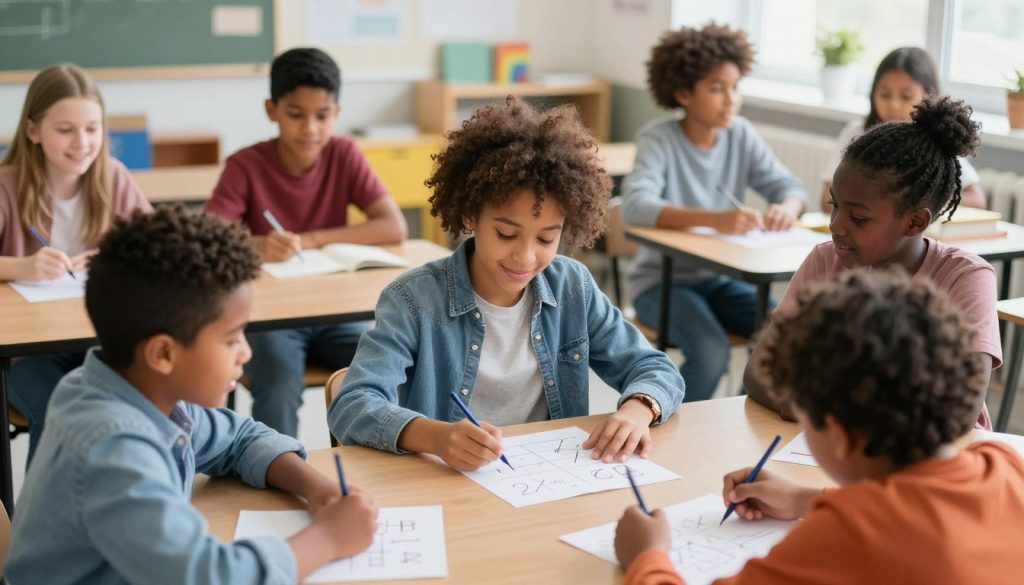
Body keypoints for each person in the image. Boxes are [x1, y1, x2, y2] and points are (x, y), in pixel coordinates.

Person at [5, 205, 379, 584]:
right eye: (231, 339)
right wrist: (329, 538)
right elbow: (208, 577)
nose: (246, 353)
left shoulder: (146, 393)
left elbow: (241, 439)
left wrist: (319, 491)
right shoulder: (113, 446)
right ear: (164, 354)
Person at [329, 97, 685, 470]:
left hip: (547, 476)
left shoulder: (572, 286)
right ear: (470, 214)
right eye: (505, 233)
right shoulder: (413, 300)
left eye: (546, 239)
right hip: (448, 482)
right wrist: (437, 437)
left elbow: (654, 368)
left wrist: (639, 409)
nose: (525, 257)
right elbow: (353, 405)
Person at [615, 269, 1024, 585]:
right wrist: (808, 500)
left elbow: (874, 526)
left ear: (840, 436)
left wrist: (646, 556)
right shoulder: (1001, 462)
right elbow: (916, 508)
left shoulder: (846, 535)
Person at [744, 96, 1001, 430]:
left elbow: (961, 409)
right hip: (836, 452)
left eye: (858, 218)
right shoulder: (826, 259)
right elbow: (758, 368)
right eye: (835, 206)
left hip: (939, 461)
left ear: (914, 222)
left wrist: (834, 413)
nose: (836, 225)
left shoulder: (966, 278)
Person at [205, 47, 407, 437]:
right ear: (271, 109)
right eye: (296, 115)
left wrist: (313, 238)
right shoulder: (245, 165)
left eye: (322, 116)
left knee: (383, 365)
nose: (310, 129)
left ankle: (374, 469)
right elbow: (208, 238)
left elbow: (392, 226)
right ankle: (276, 472)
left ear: (338, 113)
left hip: (335, 312)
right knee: (279, 379)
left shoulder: (344, 154)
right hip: (270, 319)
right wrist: (259, 246)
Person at [623, 23, 807, 402]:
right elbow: (636, 207)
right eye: (717, 88)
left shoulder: (740, 134)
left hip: (719, 279)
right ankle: (668, 428)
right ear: (683, 93)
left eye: (735, 87)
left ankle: (741, 414)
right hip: (661, 282)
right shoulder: (658, 139)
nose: (731, 100)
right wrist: (714, 218)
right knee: (710, 354)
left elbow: (791, 189)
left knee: (786, 332)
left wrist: (787, 208)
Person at [0, 63, 152, 461]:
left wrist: (120, 256)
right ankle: (44, 522)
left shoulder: (113, 177)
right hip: (25, 350)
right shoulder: (6, 185)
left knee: (133, 408)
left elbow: (158, 245)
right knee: (59, 414)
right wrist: (23, 267)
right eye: (65, 130)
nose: (82, 142)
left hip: (98, 339)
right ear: (33, 131)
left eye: (93, 128)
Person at [819, 47, 984, 211]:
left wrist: (915, 204)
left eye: (906, 96)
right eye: (885, 94)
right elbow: (827, 198)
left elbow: (977, 200)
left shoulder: (934, 141)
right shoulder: (857, 133)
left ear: (929, 95)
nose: (894, 105)